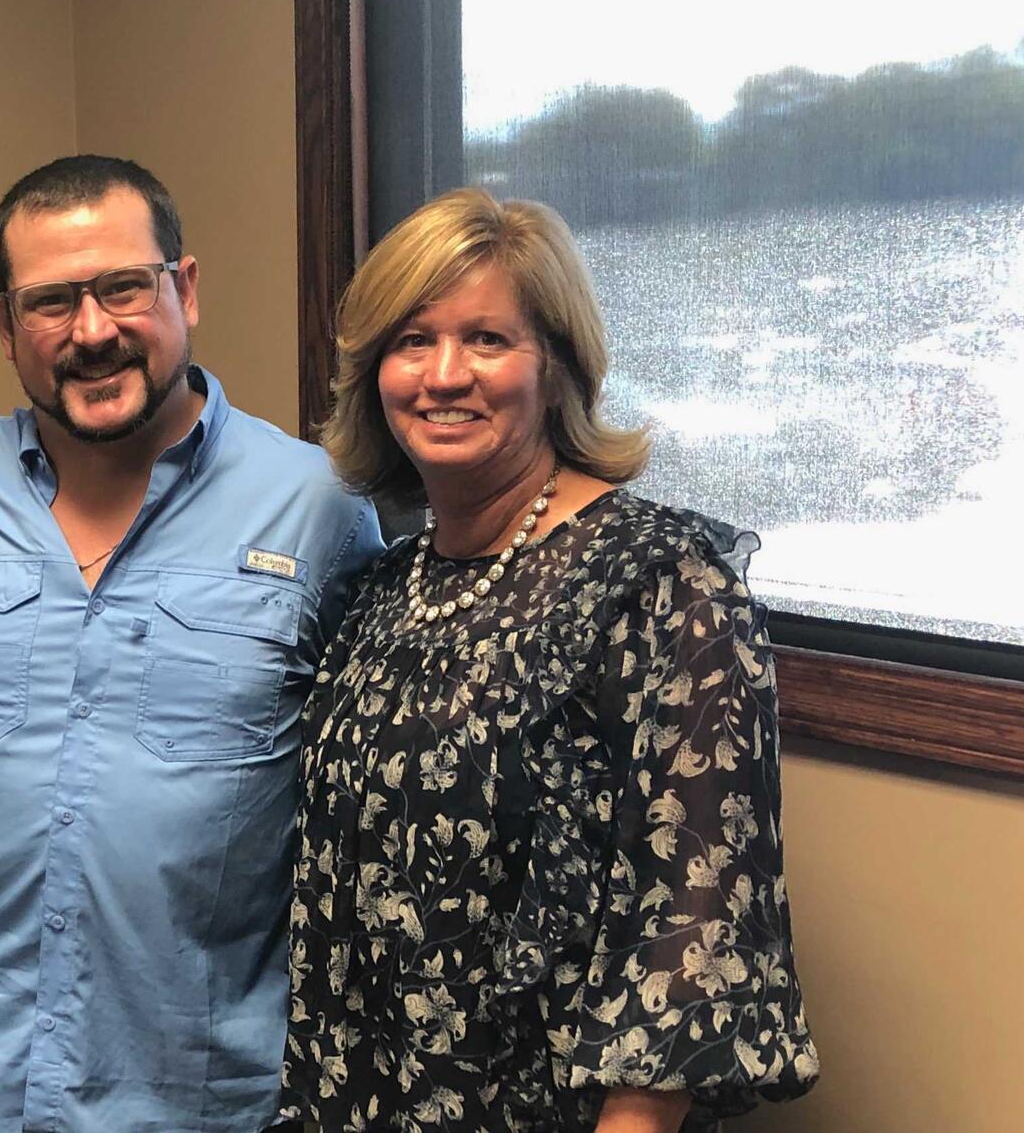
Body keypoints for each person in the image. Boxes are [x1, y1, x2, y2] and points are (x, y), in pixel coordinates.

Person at [279, 189, 819, 1132]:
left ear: (557, 368)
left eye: (487, 339)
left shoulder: (662, 584)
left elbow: (691, 933)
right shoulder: (385, 588)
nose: (444, 374)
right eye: (412, 341)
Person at [0, 155, 385, 1132]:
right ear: (4, 325)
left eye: (123, 287)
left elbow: (368, 809)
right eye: (50, 302)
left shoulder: (318, 507)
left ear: (184, 289)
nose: (91, 331)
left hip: (199, 1094)